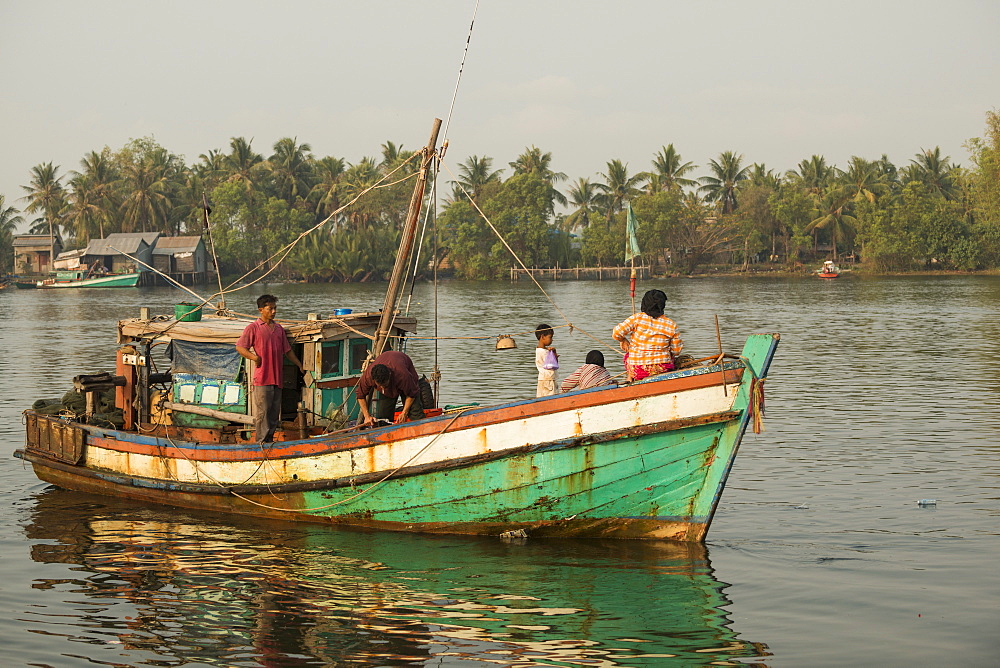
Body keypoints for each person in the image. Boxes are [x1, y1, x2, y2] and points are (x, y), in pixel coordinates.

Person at [236, 294, 305, 443]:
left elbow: (288, 351)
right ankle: (260, 442)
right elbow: (240, 347)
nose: (273, 312)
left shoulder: (279, 329)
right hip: (262, 378)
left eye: (275, 308)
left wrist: (299, 365)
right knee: (263, 413)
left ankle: (269, 440)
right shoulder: (253, 328)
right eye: (270, 309)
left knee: (274, 413)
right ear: (261, 310)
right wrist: (254, 357)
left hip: (277, 378)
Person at [612, 289, 683, 382]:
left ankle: (630, 378)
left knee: (628, 354)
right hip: (662, 369)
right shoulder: (671, 324)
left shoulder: (636, 318)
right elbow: (676, 351)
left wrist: (622, 340)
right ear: (662, 305)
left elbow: (616, 333)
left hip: (637, 370)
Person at [356, 350, 425, 426]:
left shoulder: (403, 375)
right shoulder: (368, 377)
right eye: (380, 385)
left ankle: (421, 429)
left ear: (389, 375)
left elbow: (412, 394)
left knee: (415, 412)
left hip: (404, 371)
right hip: (389, 383)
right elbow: (360, 395)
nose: (382, 387)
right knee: (384, 416)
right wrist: (366, 416)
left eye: (385, 385)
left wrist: (404, 412)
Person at [534, 323, 558, 397]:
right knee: (552, 399)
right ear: (543, 337)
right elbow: (553, 365)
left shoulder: (539, 350)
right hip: (548, 380)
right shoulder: (544, 352)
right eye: (550, 337)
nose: (552, 340)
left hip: (542, 379)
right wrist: (554, 354)